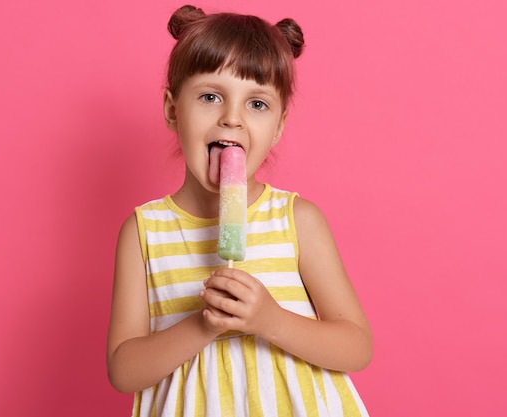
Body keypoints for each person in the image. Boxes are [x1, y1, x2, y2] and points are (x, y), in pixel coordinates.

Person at [107, 5, 373, 416]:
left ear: (280, 125)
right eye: (210, 96)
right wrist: (204, 324)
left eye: (257, 104)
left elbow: (356, 347)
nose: (231, 118)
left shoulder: (297, 220)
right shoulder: (144, 231)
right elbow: (124, 371)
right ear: (172, 109)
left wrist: (271, 321)